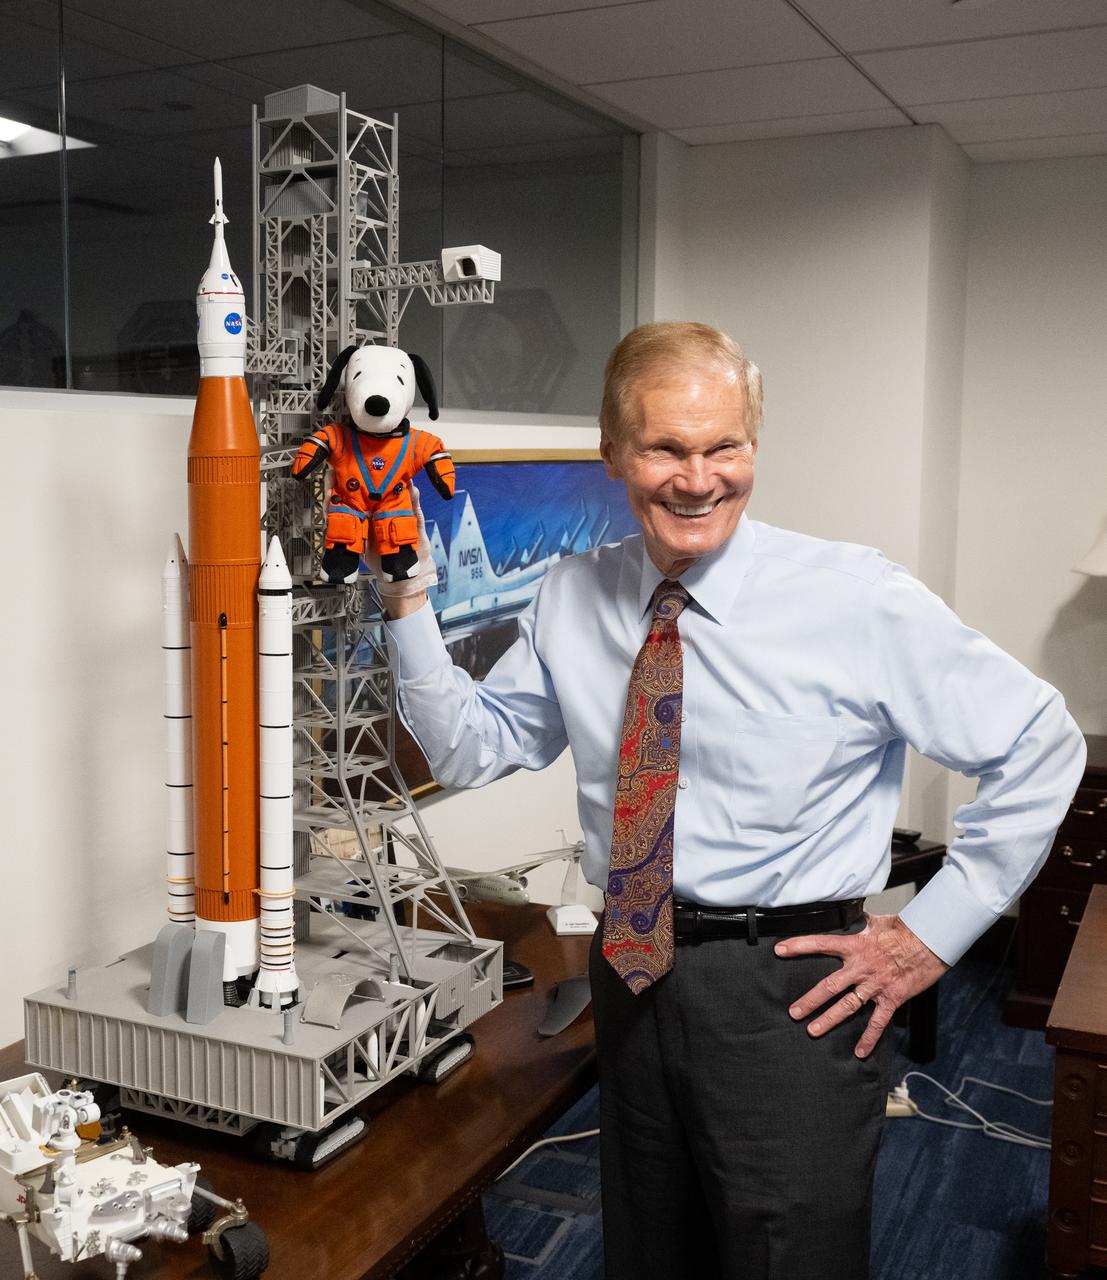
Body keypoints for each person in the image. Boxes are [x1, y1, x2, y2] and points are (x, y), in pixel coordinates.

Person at [379, 322, 1085, 1280]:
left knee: (786, 1255)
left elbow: (1039, 741)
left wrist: (929, 936)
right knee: (650, 1249)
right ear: (612, 449)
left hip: (788, 990)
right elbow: (469, 749)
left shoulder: (854, 600)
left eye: (724, 446)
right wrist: (405, 602)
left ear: (754, 444)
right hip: (630, 974)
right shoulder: (572, 594)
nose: (697, 478)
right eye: (666, 447)